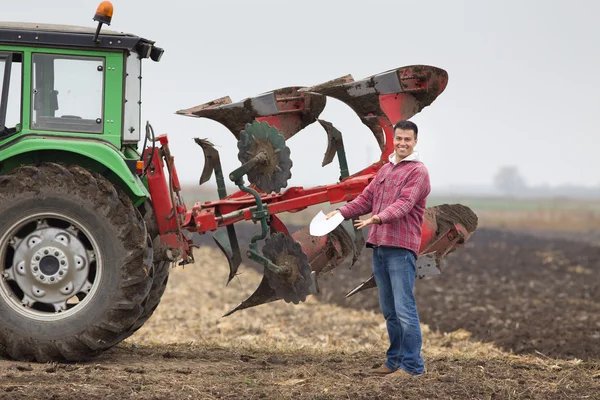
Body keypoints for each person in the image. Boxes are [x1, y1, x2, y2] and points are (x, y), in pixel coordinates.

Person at [326, 120, 430, 377]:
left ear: (415, 142)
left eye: (408, 139)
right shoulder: (386, 169)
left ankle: (413, 367)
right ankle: (393, 361)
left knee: (405, 309)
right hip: (380, 247)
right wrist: (339, 213)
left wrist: (377, 218)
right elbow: (365, 199)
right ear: (393, 140)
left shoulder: (418, 172)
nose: (403, 143)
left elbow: (405, 205)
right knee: (390, 311)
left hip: (401, 248)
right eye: (399, 139)